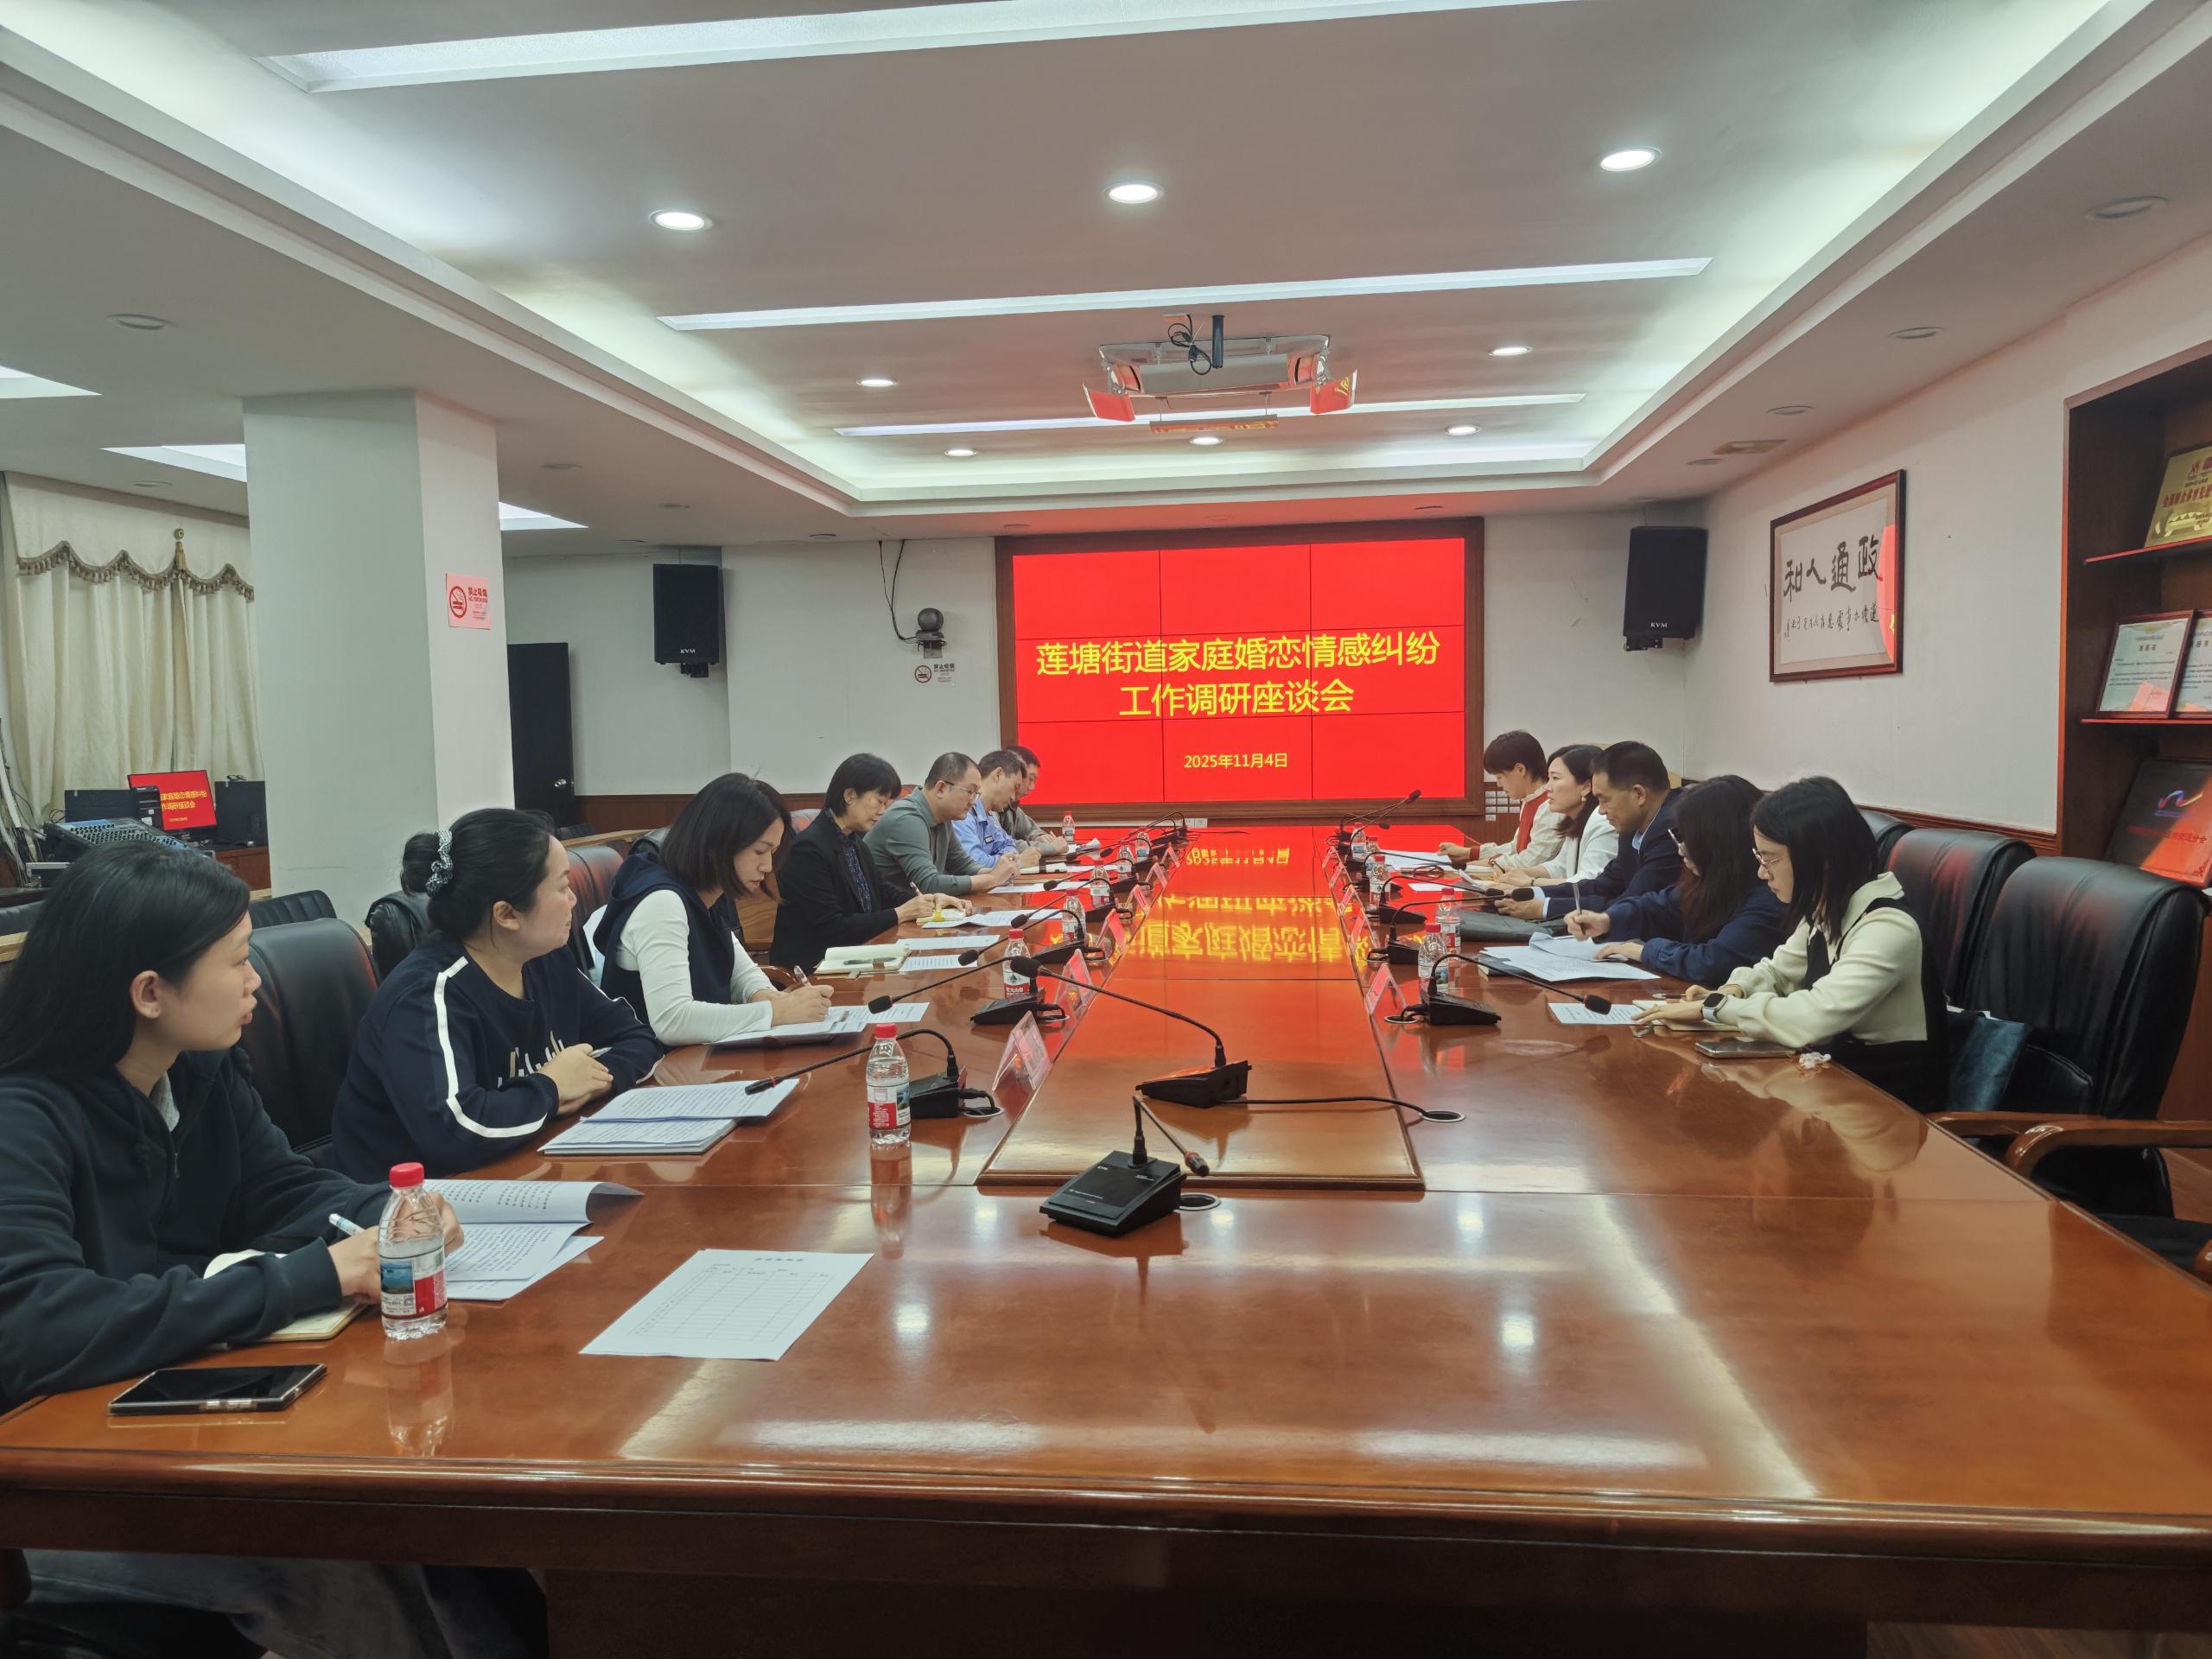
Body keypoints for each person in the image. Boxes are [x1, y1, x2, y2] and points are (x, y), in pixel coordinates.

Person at [0, 845, 541, 1659]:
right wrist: (312, 1275)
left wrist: (393, 1213)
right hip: (44, 1490)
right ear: (149, 992)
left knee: (438, 1513)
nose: (256, 980)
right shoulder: (23, 1118)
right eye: (238, 960)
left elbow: (282, 1189)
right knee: (332, 1553)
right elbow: (38, 1326)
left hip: (163, 1426)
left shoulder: (201, 1069)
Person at [332, 809, 663, 1180]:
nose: (573, 899)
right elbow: (454, 1132)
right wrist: (552, 1088)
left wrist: (593, 1081)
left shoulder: (545, 959)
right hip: (417, 1201)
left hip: (524, 1164)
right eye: (561, 887)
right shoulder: (427, 995)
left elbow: (638, 1037)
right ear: (506, 914)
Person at [1636, 776, 1948, 1112]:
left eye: (1769, 859)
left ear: (1821, 857)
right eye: (1759, 857)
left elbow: (1815, 1016)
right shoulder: (1825, 910)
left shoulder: (1887, 928)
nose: (1761, 873)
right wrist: (1733, 990)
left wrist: (1714, 1008)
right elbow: (1777, 972)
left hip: (1890, 1111)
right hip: (1831, 1090)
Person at [594, 774, 836, 1043]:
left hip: (695, 1057)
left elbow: (744, 975)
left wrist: (770, 997)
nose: (768, 866)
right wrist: (776, 1011)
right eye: (760, 851)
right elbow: (672, 1021)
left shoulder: (706, 894)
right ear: (717, 844)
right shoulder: (663, 902)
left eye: (773, 852)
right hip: (653, 1063)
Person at [1565, 774, 1789, 986]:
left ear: (1720, 843)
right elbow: (1659, 906)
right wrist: (1607, 920)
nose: (1681, 849)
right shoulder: (1713, 879)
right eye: (1680, 838)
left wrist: (1645, 951)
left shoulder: (1771, 893)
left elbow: (1714, 962)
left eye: (1691, 839)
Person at [772, 753, 938, 969]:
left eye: (887, 803)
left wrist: (928, 901)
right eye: (879, 801)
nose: (883, 811)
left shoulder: (854, 842)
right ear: (850, 795)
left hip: (857, 954)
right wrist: (901, 913)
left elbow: (883, 891)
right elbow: (833, 927)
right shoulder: (809, 849)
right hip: (816, 968)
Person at [1508, 739, 1681, 923]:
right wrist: (1532, 893)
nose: (1601, 810)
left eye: (1605, 800)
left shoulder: (1670, 830)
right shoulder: (1632, 826)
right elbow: (1603, 886)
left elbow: (1633, 903)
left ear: (1639, 794)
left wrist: (1544, 907)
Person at [1483, 745, 1616, 920]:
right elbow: (1559, 866)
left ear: (1585, 787)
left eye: (1555, 778)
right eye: (1549, 778)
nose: (1547, 787)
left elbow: (1588, 883)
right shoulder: (1576, 819)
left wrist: (1530, 883)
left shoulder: (1602, 822)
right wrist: (1522, 874)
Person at [866, 750, 1020, 899]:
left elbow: (962, 864)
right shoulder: (907, 818)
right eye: (970, 792)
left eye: (976, 794)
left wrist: (999, 873)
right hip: (886, 912)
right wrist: (992, 879)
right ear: (941, 789)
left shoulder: (943, 817)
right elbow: (929, 884)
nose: (973, 802)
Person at [1440, 731, 1564, 869]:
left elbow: (1529, 861)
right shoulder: (1529, 800)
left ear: (1520, 769)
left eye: (1499, 777)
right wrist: (1468, 853)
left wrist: (1486, 863)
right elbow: (1515, 848)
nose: (1498, 784)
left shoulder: (1550, 806)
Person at [953, 748, 1039, 870]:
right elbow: (973, 862)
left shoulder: (988, 816)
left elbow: (1009, 844)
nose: (1013, 797)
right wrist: (1017, 862)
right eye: (1015, 787)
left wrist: (1006, 860)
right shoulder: (963, 812)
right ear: (998, 775)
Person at [1000, 743, 1069, 857]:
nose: (1032, 788)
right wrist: (1051, 848)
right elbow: (1002, 846)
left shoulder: (1011, 805)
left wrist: (1039, 836)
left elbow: (1030, 829)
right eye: (1030, 779)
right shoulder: (989, 806)